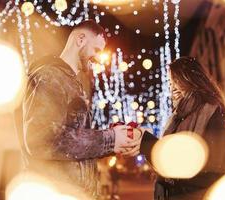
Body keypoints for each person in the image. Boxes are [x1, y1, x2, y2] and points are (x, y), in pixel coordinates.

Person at [18, 20, 140, 199]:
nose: (98, 58)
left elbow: (75, 144)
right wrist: (109, 139)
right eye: (97, 50)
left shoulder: (72, 82)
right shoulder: (50, 77)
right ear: (80, 40)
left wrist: (116, 142)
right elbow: (41, 139)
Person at [140, 57, 225, 200]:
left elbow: (207, 172)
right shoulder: (177, 118)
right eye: (170, 83)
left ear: (191, 80)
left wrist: (148, 144)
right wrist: (144, 141)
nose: (172, 88)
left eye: (177, 81)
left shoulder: (213, 115)